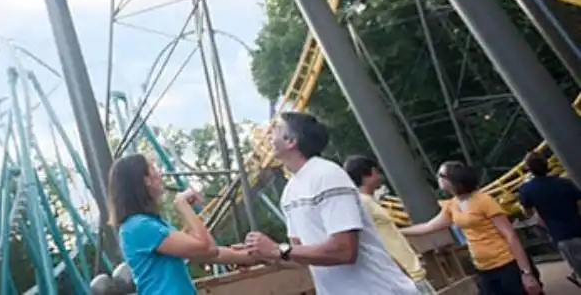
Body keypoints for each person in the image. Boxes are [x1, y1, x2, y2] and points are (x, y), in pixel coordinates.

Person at [243, 112, 419, 294]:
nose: (269, 135)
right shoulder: (290, 192)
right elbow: (300, 255)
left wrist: (277, 249)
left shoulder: (327, 175)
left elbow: (344, 250)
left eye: (276, 129)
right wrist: (262, 253)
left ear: (291, 141)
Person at [107, 153, 259, 295]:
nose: (160, 174)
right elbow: (208, 248)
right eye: (153, 168)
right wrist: (183, 206)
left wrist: (250, 255)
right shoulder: (139, 227)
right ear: (145, 180)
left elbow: (206, 253)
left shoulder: (148, 224)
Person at [401, 161, 541, 295]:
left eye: (440, 175)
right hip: (483, 267)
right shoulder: (452, 205)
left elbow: (510, 235)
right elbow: (428, 227)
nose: (437, 178)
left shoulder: (483, 200)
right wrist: (396, 231)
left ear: (452, 179)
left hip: (507, 263)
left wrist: (526, 272)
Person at [343, 155, 436, 295]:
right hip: (403, 274)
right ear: (372, 172)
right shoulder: (362, 203)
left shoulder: (369, 200)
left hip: (409, 271)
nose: (381, 176)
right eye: (378, 172)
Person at [518, 152, 581, 285]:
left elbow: (527, 213)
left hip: (561, 235)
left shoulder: (527, 189)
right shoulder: (565, 183)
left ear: (529, 169)